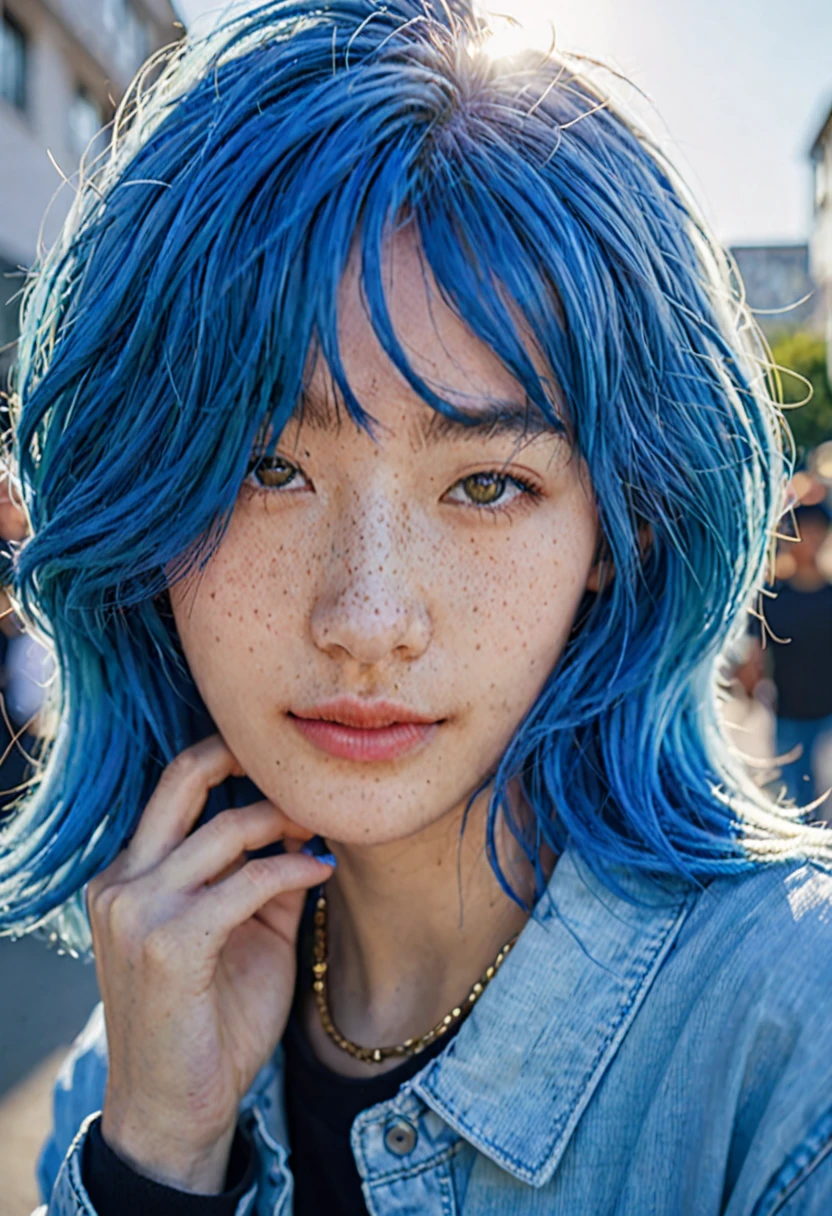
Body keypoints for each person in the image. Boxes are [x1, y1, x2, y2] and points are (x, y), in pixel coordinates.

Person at [1, 1, 832, 1212]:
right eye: (264, 470)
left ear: (618, 529)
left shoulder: (791, 1062)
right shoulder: (133, 1056)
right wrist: (153, 1165)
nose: (368, 616)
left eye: (487, 484)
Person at [740, 502, 832, 814]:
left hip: (828, 715)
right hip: (788, 713)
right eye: (800, 532)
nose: (807, 539)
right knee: (797, 801)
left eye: (815, 531)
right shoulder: (771, 596)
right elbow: (755, 658)